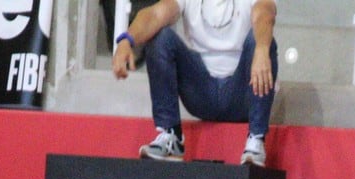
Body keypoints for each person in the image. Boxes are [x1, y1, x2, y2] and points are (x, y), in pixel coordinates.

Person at [114, 0, 278, 168]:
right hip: (201, 93)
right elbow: (155, 14)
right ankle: (171, 136)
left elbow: (265, 15)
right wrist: (126, 40)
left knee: (262, 41)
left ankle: (256, 140)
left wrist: (262, 49)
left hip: (241, 94)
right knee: (160, 38)